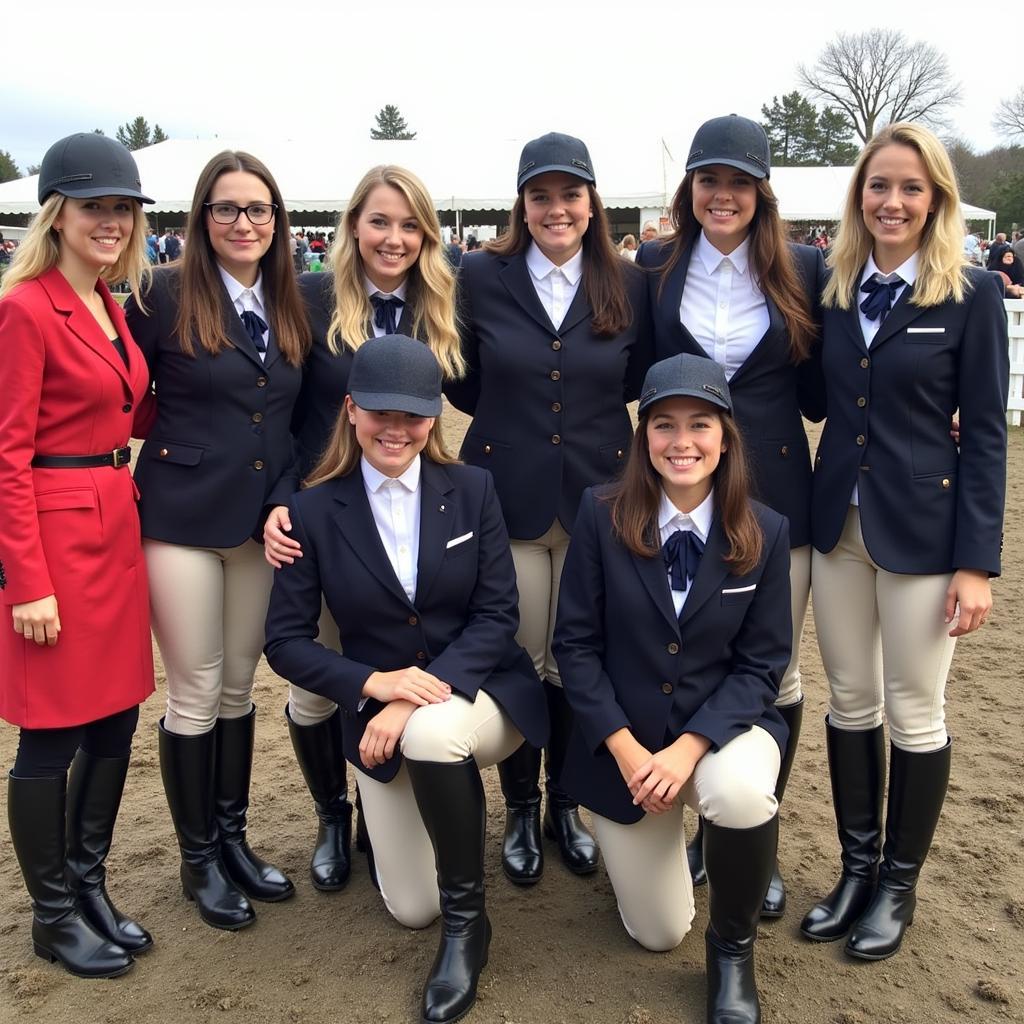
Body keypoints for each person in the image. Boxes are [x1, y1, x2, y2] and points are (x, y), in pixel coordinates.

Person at [265, 334, 548, 1024]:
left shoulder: (474, 488)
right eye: (381, 413)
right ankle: (411, 862)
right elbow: (284, 644)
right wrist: (374, 686)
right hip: (382, 704)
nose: (397, 429)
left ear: (433, 419)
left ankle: (468, 926)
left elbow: (497, 614)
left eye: (414, 415)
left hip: (480, 691)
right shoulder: (310, 510)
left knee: (428, 740)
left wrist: (413, 693)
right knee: (409, 909)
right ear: (352, 410)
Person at [801, 123, 1009, 961]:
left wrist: (977, 564)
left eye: (911, 189)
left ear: (937, 201)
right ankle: (855, 870)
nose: (892, 201)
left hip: (926, 535)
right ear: (860, 197)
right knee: (851, 699)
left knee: (916, 710)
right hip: (835, 528)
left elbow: (987, 432)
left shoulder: (973, 295)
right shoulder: (835, 287)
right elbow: (815, 396)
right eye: (878, 186)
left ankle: (898, 883)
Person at [553, 353, 790, 1024]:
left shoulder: (767, 532)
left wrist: (689, 749)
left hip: (720, 733)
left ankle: (733, 951)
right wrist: (626, 751)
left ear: (725, 436)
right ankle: (647, 853)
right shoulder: (600, 516)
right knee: (658, 935)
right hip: (626, 749)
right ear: (643, 436)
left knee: (738, 792)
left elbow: (762, 664)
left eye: (699, 425)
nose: (681, 442)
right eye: (664, 425)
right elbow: (575, 647)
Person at [447, 131, 652, 884]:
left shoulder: (629, 283)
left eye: (570, 194)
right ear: (522, 203)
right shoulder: (480, 273)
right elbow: (461, 380)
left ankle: (567, 803)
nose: (556, 208)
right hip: (508, 494)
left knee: (579, 660)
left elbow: (640, 379)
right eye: (541, 195)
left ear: (591, 201)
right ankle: (521, 811)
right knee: (523, 658)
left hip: (603, 496)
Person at [636, 113, 823, 918]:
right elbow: (635, 378)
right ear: (691, 188)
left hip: (776, 492)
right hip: (679, 487)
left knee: (772, 669)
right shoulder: (653, 266)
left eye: (739, 182)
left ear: (761, 192)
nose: (723, 195)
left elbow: (831, 382)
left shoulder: (806, 268)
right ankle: (692, 823)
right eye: (709, 180)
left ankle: (750, 835)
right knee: (692, 651)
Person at [263, 163, 464, 893]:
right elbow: (281, 414)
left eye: (410, 224)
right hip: (326, 508)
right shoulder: (311, 298)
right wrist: (281, 499)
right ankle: (329, 815)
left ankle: (391, 806)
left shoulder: (439, 303)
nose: (394, 237)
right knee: (319, 678)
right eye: (380, 220)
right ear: (353, 226)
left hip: (408, 498)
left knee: (398, 649)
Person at [124, 151, 310, 930]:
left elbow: (300, 418)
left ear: (278, 220)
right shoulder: (160, 294)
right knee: (194, 690)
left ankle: (232, 838)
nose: (244, 224)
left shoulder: (295, 298)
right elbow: (117, 393)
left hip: (261, 521)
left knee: (240, 684)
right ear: (202, 218)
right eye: (228, 209)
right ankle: (197, 858)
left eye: (259, 209)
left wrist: (288, 497)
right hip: (182, 519)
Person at [0, 133, 156, 977]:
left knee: (115, 717)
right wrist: (27, 580)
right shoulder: (26, 308)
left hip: (114, 524)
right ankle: (52, 915)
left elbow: (127, 412)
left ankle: (88, 884)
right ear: (57, 215)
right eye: (96, 206)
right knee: (50, 738)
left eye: (122, 209)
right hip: (56, 544)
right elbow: (6, 453)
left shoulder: (107, 299)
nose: (112, 221)